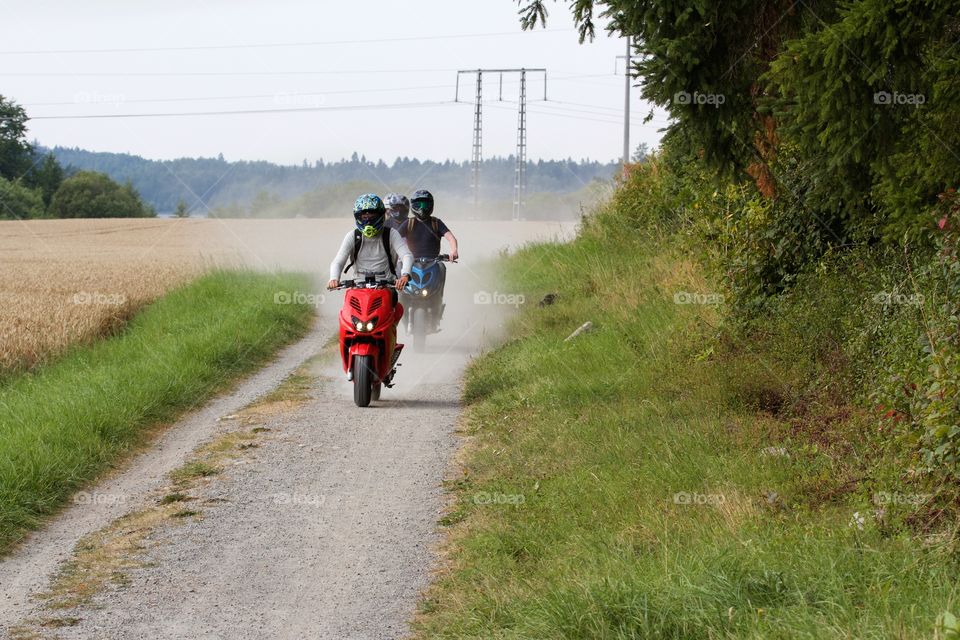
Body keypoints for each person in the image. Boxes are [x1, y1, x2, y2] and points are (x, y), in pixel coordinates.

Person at [327, 194, 412, 300]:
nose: (368, 221)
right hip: (358, 288)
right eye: (364, 217)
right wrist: (334, 278)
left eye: (372, 217)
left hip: (386, 288)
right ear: (358, 217)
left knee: (396, 310)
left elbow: (407, 255)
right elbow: (338, 261)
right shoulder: (352, 236)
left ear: (381, 216)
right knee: (346, 315)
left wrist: (405, 275)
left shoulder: (392, 234)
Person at [400, 190, 459, 261]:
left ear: (431, 205)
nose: (422, 208)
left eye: (425, 205)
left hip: (434, 263)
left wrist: (454, 251)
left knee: (442, 268)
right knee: (400, 269)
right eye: (418, 205)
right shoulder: (409, 223)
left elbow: (451, 238)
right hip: (411, 263)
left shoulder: (436, 222)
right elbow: (394, 239)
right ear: (413, 206)